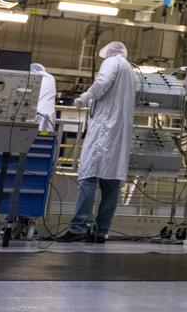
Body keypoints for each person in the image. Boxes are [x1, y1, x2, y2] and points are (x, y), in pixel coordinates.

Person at [57, 41, 136, 242]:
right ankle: (101, 231)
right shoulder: (129, 69)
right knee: (111, 184)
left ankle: (78, 228)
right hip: (118, 132)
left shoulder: (112, 62)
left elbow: (102, 83)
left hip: (104, 129)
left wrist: (85, 97)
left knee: (88, 176)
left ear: (109, 53)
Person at [30, 62, 57, 135]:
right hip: (48, 117)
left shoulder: (32, 77)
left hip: (34, 116)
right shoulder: (51, 78)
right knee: (45, 139)